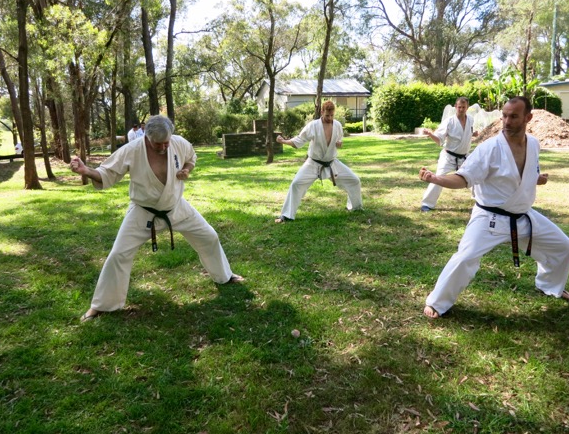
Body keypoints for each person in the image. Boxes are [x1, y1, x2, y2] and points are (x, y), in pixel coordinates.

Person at [70, 115, 243, 322]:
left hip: (176, 206)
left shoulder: (179, 143)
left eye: (166, 142)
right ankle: (102, 305)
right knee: (118, 254)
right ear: (146, 136)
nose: (162, 147)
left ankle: (224, 276)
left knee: (209, 237)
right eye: (157, 144)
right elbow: (107, 174)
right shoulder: (131, 150)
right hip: (143, 211)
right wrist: (86, 170)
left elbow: (191, 158)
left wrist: (186, 170)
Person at [419, 96, 569, 319]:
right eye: (504, 116)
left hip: (522, 216)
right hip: (489, 218)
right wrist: (437, 179)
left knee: (563, 246)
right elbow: (464, 178)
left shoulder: (533, 144)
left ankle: (549, 285)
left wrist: (536, 178)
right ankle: (437, 302)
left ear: (528, 118)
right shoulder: (489, 148)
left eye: (514, 116)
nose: (507, 121)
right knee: (465, 258)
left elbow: (523, 173)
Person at [274, 100, 362, 223]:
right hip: (313, 163)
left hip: (332, 163)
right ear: (322, 112)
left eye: (332, 115)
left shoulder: (337, 125)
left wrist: (339, 144)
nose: (330, 118)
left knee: (354, 180)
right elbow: (299, 141)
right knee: (296, 183)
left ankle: (355, 207)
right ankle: (287, 215)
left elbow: (339, 140)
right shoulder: (313, 126)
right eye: (327, 115)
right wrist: (283, 141)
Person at [421, 97, 475, 212]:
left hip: (464, 157)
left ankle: (481, 200)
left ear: (467, 107)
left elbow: (468, 133)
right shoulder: (449, 121)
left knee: (474, 176)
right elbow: (439, 140)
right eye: (459, 107)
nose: (461, 109)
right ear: (455, 107)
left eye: (464, 107)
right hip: (448, 157)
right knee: (438, 177)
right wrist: (430, 134)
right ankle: (427, 204)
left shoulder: (470, 119)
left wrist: (473, 133)